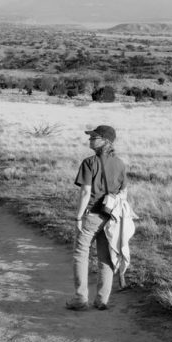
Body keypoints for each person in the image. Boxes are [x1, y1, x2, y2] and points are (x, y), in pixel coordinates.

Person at [67, 125, 127, 311]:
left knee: (81, 254)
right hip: (110, 217)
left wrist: (78, 217)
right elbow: (123, 192)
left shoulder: (89, 162)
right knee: (105, 257)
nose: (90, 140)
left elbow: (85, 193)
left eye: (94, 137)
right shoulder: (120, 163)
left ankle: (80, 298)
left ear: (105, 141)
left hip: (92, 215)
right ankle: (102, 300)